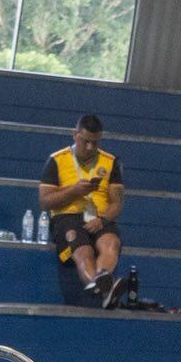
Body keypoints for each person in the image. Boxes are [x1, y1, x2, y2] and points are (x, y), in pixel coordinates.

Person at [40, 114, 127, 306]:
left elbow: (117, 203)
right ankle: (106, 290)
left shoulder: (111, 162)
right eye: (85, 141)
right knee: (83, 251)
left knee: (111, 242)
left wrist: (103, 220)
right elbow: (45, 201)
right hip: (67, 217)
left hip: (99, 217)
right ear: (74, 135)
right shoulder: (56, 160)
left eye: (95, 143)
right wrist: (74, 191)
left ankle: (102, 284)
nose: (90, 148)